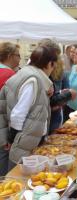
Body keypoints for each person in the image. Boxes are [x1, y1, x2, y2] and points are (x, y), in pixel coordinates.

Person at [0, 45, 58, 170]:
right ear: (49, 63)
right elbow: (18, 114)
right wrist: (11, 138)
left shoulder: (26, 73)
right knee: (17, 177)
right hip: (24, 141)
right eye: (54, 65)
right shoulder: (33, 79)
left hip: (24, 139)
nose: (53, 70)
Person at [0, 42, 21, 176]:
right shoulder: (8, 74)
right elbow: (13, 106)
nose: (20, 59)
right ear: (10, 56)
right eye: (18, 55)